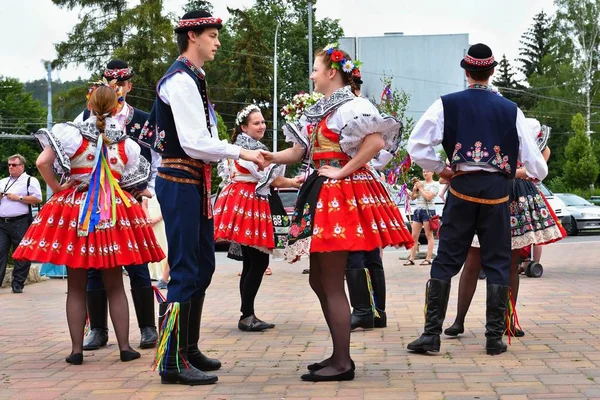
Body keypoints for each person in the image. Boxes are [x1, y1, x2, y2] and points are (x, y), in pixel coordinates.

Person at [262, 43, 414, 381]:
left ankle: (343, 362)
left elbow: (375, 143)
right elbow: (302, 150)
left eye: (315, 69)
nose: (312, 75)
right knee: (319, 279)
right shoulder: (322, 110)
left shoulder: (353, 105)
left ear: (332, 72)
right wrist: (271, 157)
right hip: (322, 191)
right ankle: (337, 352)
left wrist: (343, 171)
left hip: (338, 195)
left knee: (330, 281)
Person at [138, 10, 264, 386]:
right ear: (193, 37)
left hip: (195, 181)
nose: (217, 41)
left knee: (203, 266)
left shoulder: (194, 78)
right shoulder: (179, 80)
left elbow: (200, 141)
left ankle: (188, 348)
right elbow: (194, 141)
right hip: (178, 180)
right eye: (212, 35)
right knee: (184, 270)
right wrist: (241, 152)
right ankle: (171, 361)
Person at [406, 43, 548, 356]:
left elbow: (416, 146)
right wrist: (520, 173)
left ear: (466, 72)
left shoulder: (446, 104)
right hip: (498, 191)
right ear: (492, 71)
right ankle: (494, 338)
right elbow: (537, 164)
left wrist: (442, 169)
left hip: (461, 188)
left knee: (446, 260)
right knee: (497, 260)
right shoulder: (511, 109)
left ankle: (432, 335)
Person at [12, 84, 165, 365]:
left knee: (77, 286)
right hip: (112, 213)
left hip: (76, 212)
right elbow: (133, 183)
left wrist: (58, 188)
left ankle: (76, 351)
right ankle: (125, 347)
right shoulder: (126, 144)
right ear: (117, 108)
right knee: (116, 285)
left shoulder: (71, 134)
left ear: (90, 105)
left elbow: (42, 161)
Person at [444, 122, 564, 338]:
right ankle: (459, 320)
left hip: (514, 195)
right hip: (485, 192)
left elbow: (537, 167)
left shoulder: (527, 130)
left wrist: (507, 172)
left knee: (511, 261)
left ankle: (507, 319)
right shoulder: (484, 130)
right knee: (472, 261)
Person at [75, 60, 160, 352]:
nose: (117, 87)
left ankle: (148, 328)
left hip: (129, 200)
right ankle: (97, 330)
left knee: (137, 262)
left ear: (130, 85)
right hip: (95, 204)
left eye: (122, 82)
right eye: (111, 81)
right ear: (102, 83)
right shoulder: (85, 116)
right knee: (95, 265)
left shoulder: (143, 119)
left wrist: (147, 193)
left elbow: (157, 161)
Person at [213, 104, 301, 332]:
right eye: (256, 123)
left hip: (247, 201)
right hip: (249, 203)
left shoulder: (245, 147)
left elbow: (270, 179)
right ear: (244, 127)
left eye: (263, 122)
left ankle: (247, 314)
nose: (262, 126)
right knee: (258, 261)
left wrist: (292, 182)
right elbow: (266, 177)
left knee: (252, 261)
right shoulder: (248, 149)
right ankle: (246, 315)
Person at [345, 74, 391, 331]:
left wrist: (358, 164)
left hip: (355, 183)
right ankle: (377, 311)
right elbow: (384, 152)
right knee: (370, 249)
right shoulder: (368, 107)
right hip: (370, 184)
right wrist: (372, 165)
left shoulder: (354, 107)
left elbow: (378, 147)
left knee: (356, 247)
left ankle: (363, 309)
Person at [0, 154, 42, 293]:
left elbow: (37, 199)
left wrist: (19, 198)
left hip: (21, 221)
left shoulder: (30, 180)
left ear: (22, 166)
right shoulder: (3, 181)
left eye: (14, 165)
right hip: (2, 223)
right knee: (0, 251)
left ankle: (18, 284)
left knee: (22, 253)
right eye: (9, 165)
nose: (11, 167)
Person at [403, 171, 439, 266]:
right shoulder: (421, 183)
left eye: (427, 171)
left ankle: (428, 258)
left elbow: (429, 197)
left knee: (429, 235)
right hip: (418, 210)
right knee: (414, 236)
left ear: (432, 172)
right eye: (423, 171)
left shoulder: (435, 184)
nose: (425, 173)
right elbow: (413, 198)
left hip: (428, 211)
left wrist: (420, 188)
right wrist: (414, 190)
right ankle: (411, 258)